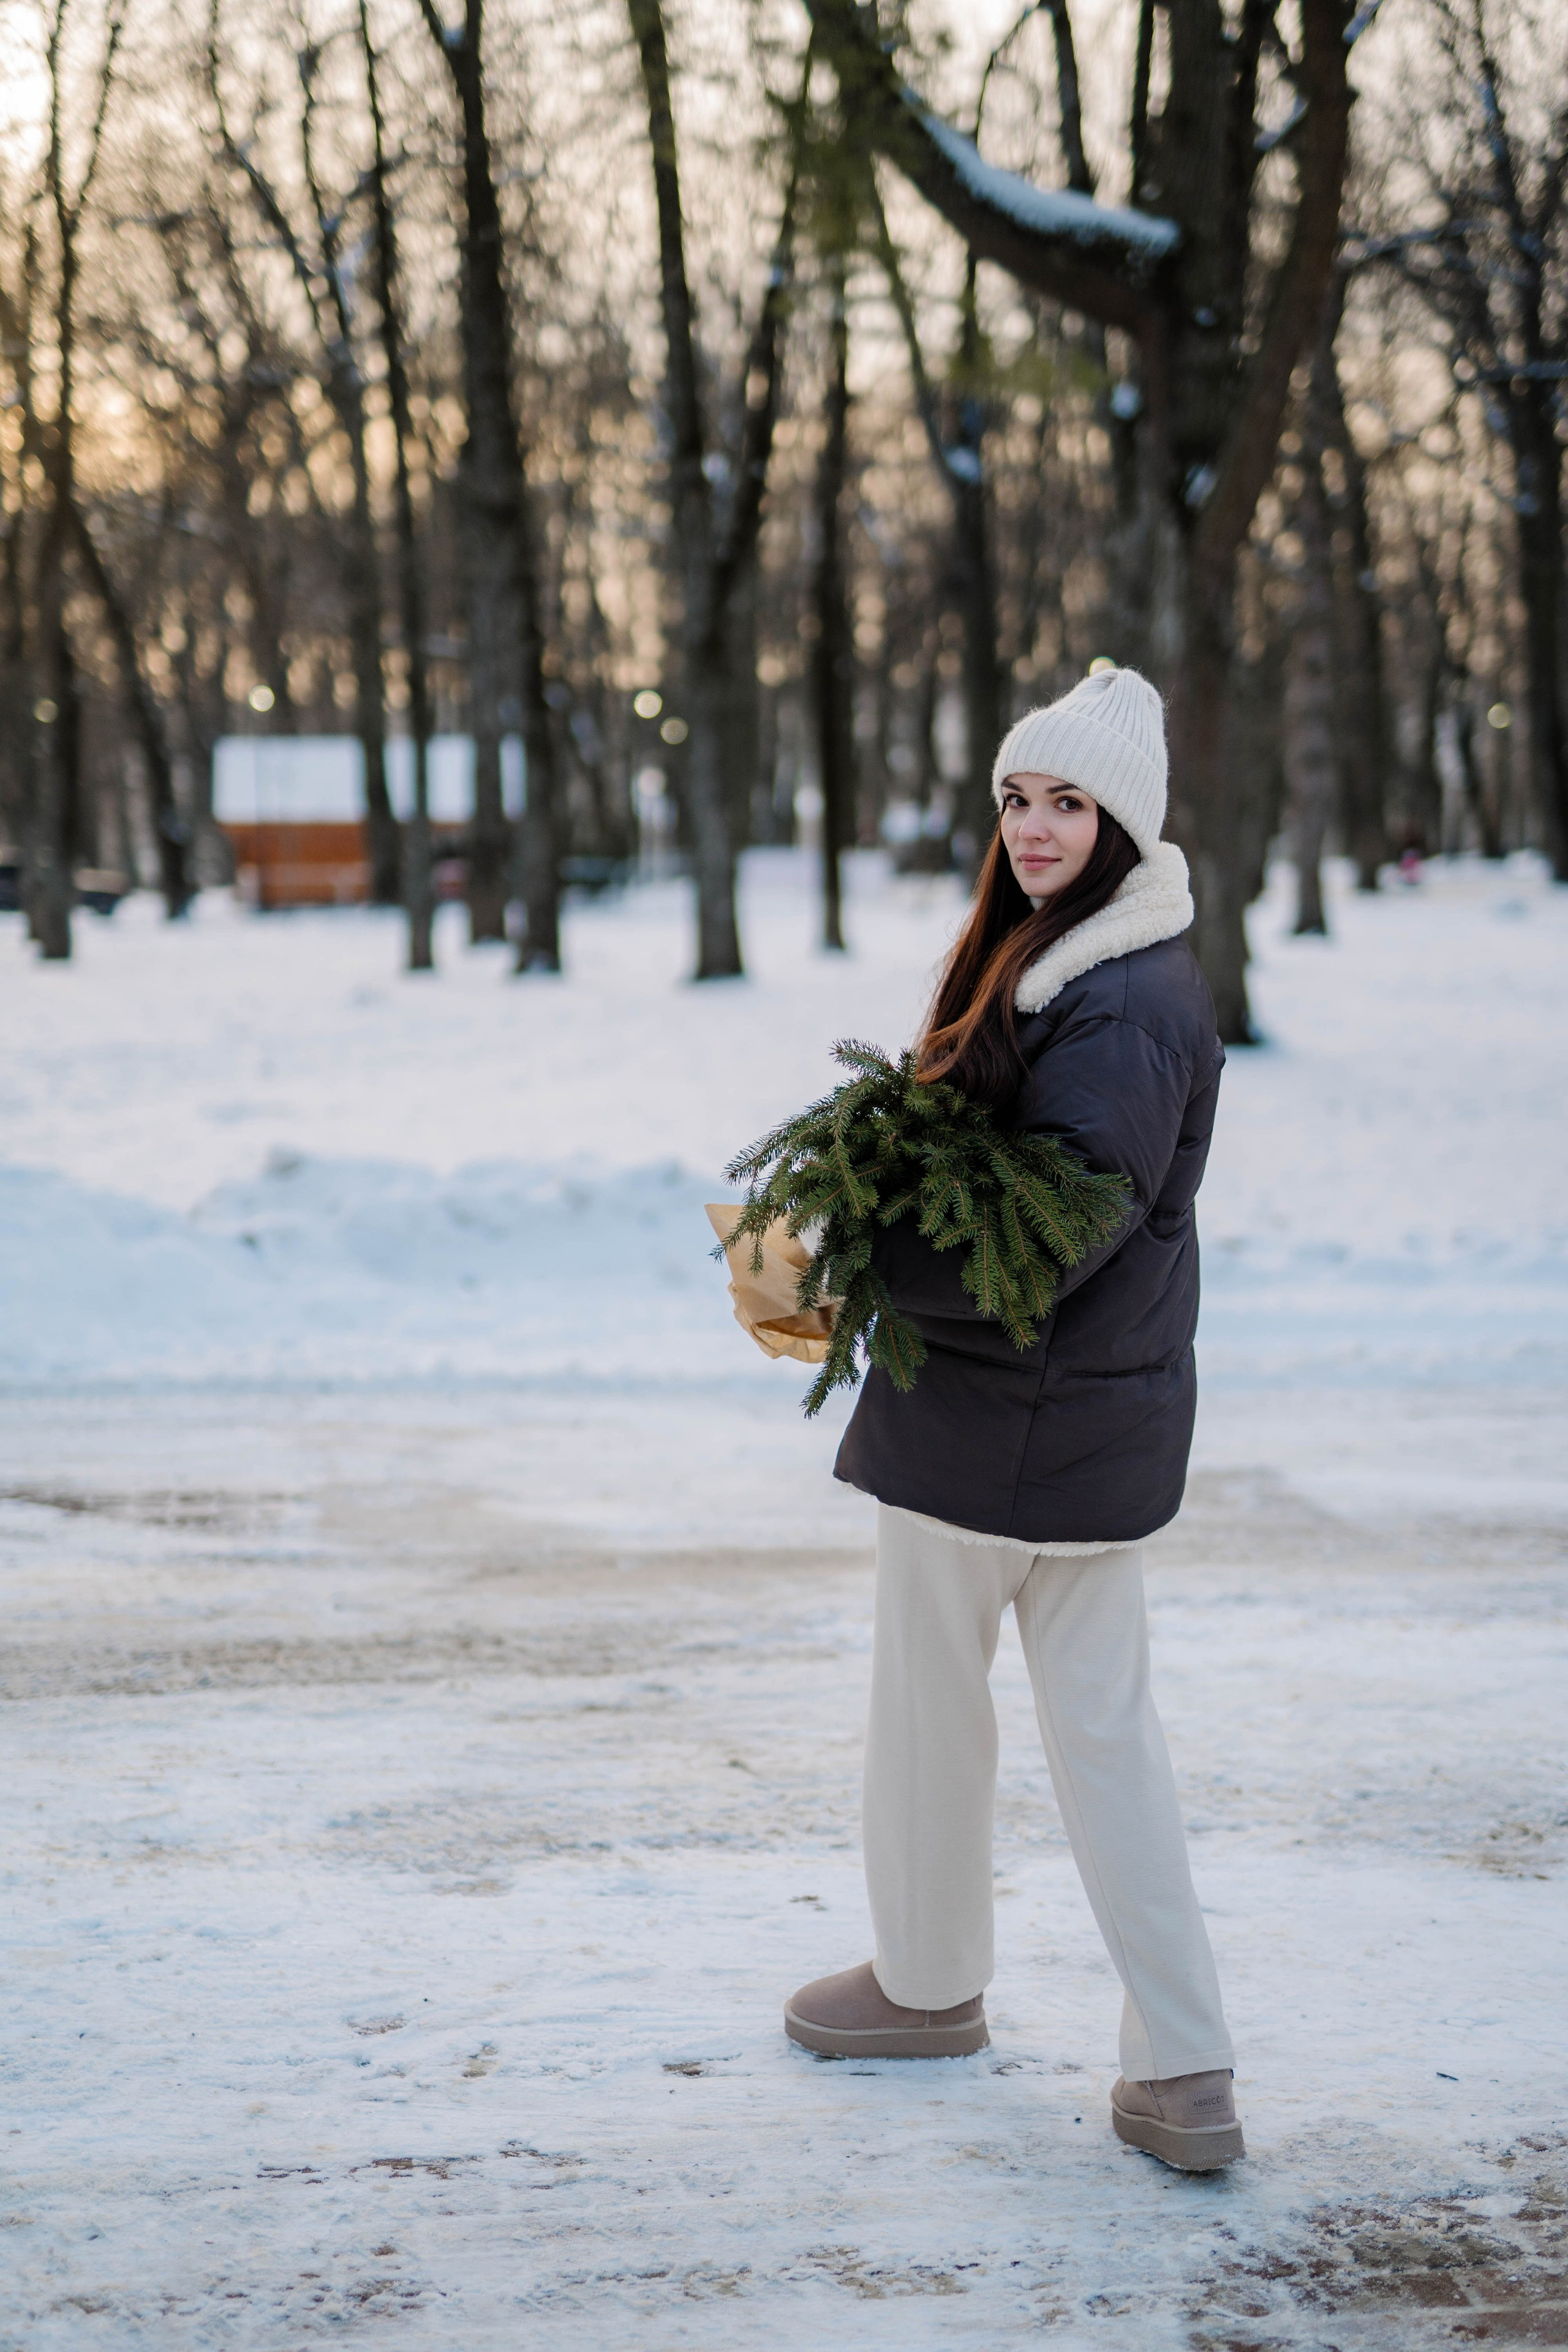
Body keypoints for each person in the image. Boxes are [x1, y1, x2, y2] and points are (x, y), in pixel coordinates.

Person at [784, 666, 1243, 2174]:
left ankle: (926, 1988)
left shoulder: (1115, 1003)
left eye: (1068, 804)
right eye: (1018, 799)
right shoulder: (1084, 965)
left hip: (999, 1429)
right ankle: (1181, 2070)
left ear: (1123, 824)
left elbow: (1041, 1238)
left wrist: (847, 1260)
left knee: (934, 1720)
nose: (1034, 828)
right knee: (1104, 1738)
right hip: (1076, 1428)